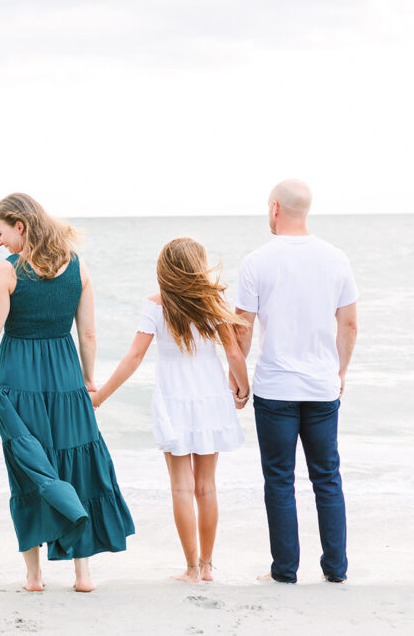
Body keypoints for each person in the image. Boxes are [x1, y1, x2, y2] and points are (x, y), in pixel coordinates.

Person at [0, 192, 134, 593]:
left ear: (20, 226)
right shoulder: (78, 267)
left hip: (17, 382)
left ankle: (34, 576)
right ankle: (83, 575)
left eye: (0, 232)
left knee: (29, 469)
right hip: (66, 379)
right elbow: (89, 333)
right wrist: (89, 378)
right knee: (76, 466)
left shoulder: (5, 273)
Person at [89, 237, 250, 583]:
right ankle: (207, 567)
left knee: (181, 487)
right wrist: (243, 388)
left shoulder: (155, 305)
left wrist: (100, 396)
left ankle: (191, 568)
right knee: (206, 486)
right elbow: (234, 353)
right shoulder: (212, 302)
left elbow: (133, 359)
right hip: (210, 397)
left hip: (175, 399)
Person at [233, 179, 359, 584]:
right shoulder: (336, 258)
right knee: (327, 477)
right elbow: (349, 323)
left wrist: (237, 378)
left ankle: (285, 571)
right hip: (321, 388)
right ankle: (335, 569)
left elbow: (242, 330)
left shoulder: (257, 261)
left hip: (275, 389)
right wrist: (339, 371)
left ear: (274, 208)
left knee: (279, 479)